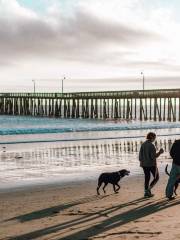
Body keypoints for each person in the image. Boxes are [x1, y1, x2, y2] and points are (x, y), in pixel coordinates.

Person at [139, 132, 164, 197]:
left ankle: (146, 192)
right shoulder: (151, 145)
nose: (155, 139)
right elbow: (153, 157)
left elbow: (140, 156)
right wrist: (160, 152)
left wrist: (141, 162)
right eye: (154, 137)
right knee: (156, 178)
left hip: (144, 164)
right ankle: (148, 191)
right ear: (152, 137)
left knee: (147, 178)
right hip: (151, 165)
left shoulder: (143, 144)